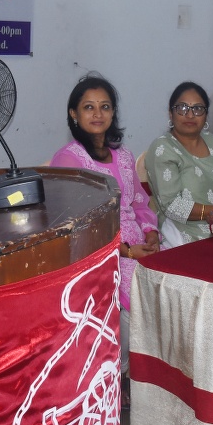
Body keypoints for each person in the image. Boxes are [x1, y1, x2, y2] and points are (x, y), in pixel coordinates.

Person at [50, 75, 159, 371]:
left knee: (167, 289)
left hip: (137, 245)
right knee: (136, 300)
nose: (98, 114)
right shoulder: (69, 160)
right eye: (89, 107)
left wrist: (151, 233)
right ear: (74, 114)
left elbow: (139, 202)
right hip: (98, 251)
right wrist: (124, 251)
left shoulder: (123, 155)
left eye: (105, 106)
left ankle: (146, 374)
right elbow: (76, 225)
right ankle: (119, 373)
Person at [145, 82, 213, 248]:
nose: (190, 115)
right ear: (170, 113)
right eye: (182, 108)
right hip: (184, 228)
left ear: (206, 115)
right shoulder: (163, 148)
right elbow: (172, 205)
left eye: (198, 108)